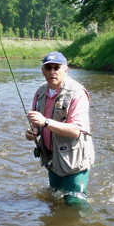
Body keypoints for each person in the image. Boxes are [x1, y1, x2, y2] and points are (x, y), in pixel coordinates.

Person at [25, 51, 95, 205]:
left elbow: (75, 130)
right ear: (42, 71)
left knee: (74, 203)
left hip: (75, 160)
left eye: (57, 67)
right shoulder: (40, 91)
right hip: (52, 158)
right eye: (48, 68)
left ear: (66, 70)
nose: (52, 72)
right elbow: (36, 121)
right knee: (55, 199)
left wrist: (46, 122)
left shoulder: (77, 93)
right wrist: (33, 131)